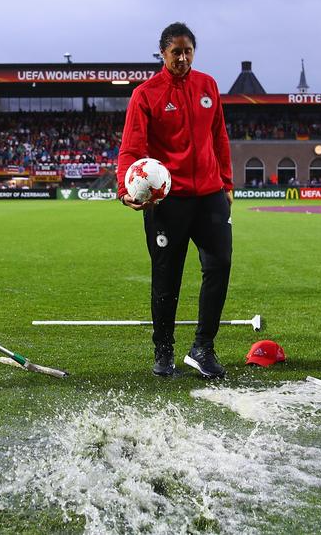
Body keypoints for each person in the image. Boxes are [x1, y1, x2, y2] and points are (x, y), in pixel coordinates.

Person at [117, 22, 233, 379]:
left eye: (188, 52)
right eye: (175, 52)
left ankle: (203, 347)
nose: (182, 58)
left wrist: (227, 183)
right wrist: (125, 191)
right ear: (163, 54)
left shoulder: (208, 85)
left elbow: (220, 137)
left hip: (211, 195)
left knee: (219, 266)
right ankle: (164, 350)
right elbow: (132, 148)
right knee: (167, 276)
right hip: (169, 201)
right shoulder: (146, 94)